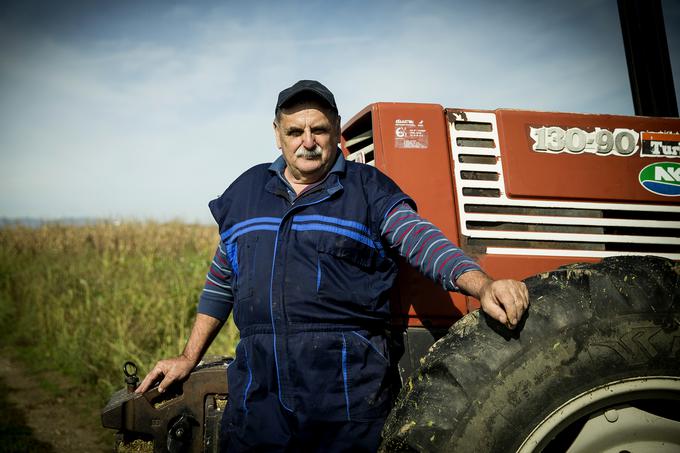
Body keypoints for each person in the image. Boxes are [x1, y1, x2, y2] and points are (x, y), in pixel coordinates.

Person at [136, 80, 529, 452]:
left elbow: (420, 240)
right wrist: (189, 357)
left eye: (319, 130)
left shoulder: (368, 190)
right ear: (277, 133)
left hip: (344, 407)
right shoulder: (246, 194)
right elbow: (222, 281)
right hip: (259, 402)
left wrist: (481, 285)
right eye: (295, 132)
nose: (308, 142)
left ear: (336, 130)